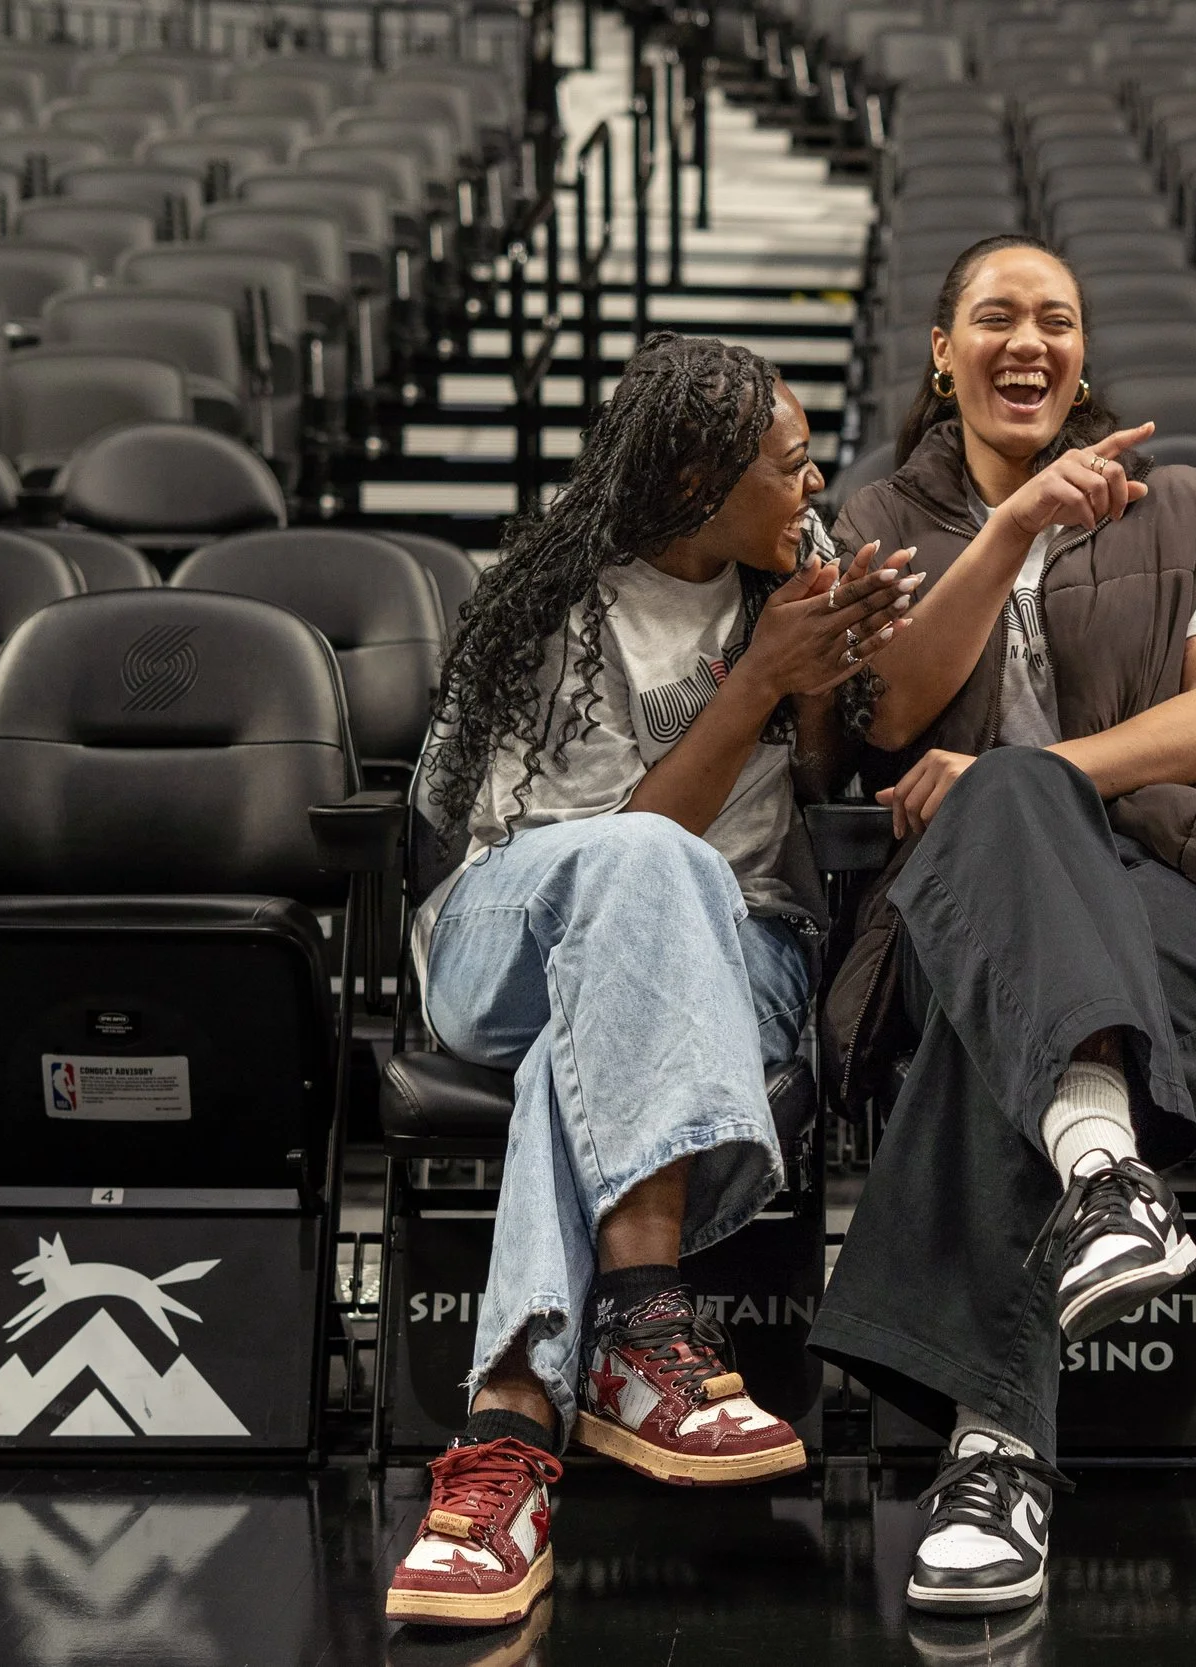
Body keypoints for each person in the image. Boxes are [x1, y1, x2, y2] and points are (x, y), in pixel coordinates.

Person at [807, 236, 1196, 1615]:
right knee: (1003, 897)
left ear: (1083, 353)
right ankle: (1101, 1180)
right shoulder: (876, 519)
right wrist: (1009, 533)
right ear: (943, 352)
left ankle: (994, 1455)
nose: (1029, 342)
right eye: (996, 317)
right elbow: (885, 717)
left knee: (1004, 888)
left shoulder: (1184, 507)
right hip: (962, 928)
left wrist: (1027, 776)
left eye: (1056, 319)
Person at [384, 333, 920, 1628]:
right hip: (503, 934)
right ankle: (640, 1319)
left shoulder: (795, 569)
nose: (816, 487)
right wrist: (758, 680)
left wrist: (830, 681)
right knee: (646, 862)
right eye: (789, 466)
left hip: (735, 958)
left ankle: (505, 1448)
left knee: (571, 1061)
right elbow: (633, 839)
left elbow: (828, 781)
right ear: (693, 479)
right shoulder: (558, 605)